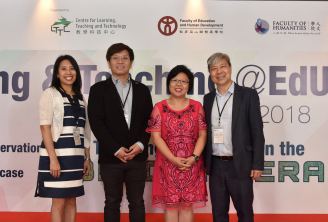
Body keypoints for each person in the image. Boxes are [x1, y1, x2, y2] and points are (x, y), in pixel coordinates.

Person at [88, 43, 153, 222]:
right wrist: (116, 149)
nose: (120, 61)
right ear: (109, 63)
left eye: (124, 58)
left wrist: (140, 145)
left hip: (137, 158)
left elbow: (150, 121)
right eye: (115, 58)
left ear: (131, 63)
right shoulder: (98, 90)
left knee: (137, 202)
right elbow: (97, 124)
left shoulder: (142, 90)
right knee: (111, 202)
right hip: (111, 158)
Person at [203, 53, 265, 222]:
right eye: (214, 68)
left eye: (222, 66)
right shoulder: (208, 99)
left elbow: (257, 131)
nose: (219, 71)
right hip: (215, 166)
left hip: (240, 165)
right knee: (218, 214)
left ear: (230, 68)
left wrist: (257, 164)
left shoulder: (247, 95)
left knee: (245, 213)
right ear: (210, 73)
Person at [146, 65, 208, 222]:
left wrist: (194, 157)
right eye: (175, 80)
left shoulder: (197, 107)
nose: (179, 84)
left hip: (191, 164)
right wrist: (173, 159)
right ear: (168, 83)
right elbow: (156, 137)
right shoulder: (159, 107)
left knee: (187, 206)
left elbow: (203, 135)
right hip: (167, 164)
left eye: (184, 81)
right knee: (171, 206)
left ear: (189, 85)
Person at [35, 55, 91, 222]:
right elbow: (44, 127)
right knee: (58, 202)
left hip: (75, 158)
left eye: (72, 68)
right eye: (64, 68)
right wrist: (53, 159)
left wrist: (86, 157)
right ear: (57, 73)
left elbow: (85, 131)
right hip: (57, 156)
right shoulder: (50, 94)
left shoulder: (80, 98)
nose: (69, 72)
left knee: (72, 201)